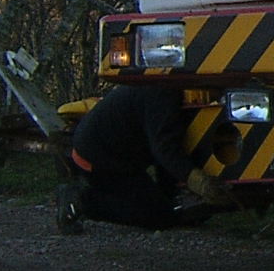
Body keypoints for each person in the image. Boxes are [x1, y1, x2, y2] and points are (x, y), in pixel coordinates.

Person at [66, 83, 235, 229]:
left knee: (172, 207)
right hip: (99, 160)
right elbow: (165, 149)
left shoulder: (165, 87)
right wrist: (199, 182)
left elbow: (167, 145)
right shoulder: (163, 94)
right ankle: (82, 201)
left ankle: (172, 205)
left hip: (119, 153)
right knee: (157, 216)